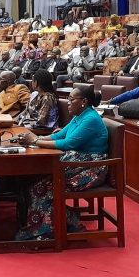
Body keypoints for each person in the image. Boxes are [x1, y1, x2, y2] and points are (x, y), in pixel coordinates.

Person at [14, 86, 109, 240]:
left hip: (90, 168)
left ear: (84, 101)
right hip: (74, 162)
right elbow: (60, 136)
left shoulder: (90, 118)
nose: (68, 103)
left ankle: (45, 231)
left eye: (71, 100)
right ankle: (64, 221)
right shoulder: (79, 116)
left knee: (41, 187)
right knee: (33, 178)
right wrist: (33, 140)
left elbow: (68, 144)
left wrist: (36, 141)